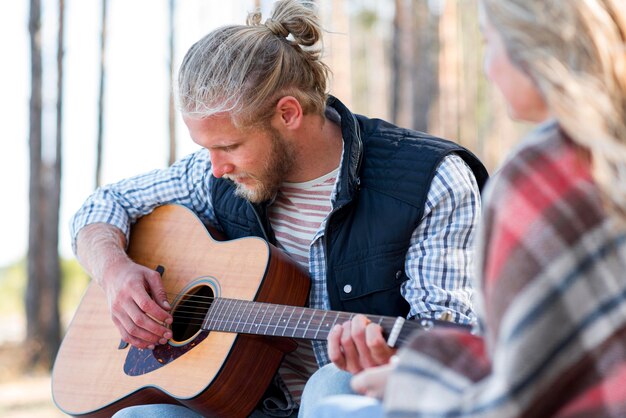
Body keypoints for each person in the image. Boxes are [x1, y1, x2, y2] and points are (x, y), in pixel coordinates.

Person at [69, 0, 488, 417]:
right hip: (247, 404)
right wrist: (114, 272)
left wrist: (392, 365)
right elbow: (105, 204)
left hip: (363, 403)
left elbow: (445, 338)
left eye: (229, 146)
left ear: (288, 113)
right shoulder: (214, 174)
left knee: (333, 386)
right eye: (207, 149)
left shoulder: (431, 180)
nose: (216, 167)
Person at [311, 0, 626, 417]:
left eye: (489, 43)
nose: (487, 66)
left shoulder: (540, 175)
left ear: (531, 50)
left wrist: (411, 383)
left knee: (332, 406)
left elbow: (518, 394)